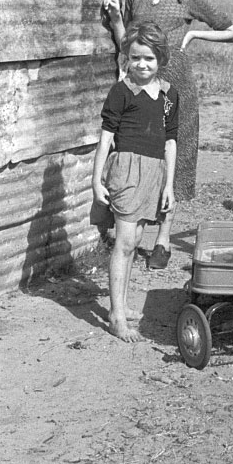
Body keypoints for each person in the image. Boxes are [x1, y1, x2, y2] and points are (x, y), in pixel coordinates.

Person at [102, 0, 233, 269]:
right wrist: (118, 20)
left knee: (171, 159)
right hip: (140, 88)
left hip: (175, 88)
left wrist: (193, 33)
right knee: (139, 153)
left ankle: (163, 237)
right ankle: (130, 231)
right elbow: (126, 45)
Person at [92, 22, 179, 342]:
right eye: (135, 58)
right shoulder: (121, 91)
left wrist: (168, 185)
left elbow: (171, 142)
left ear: (161, 59)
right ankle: (116, 316)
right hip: (126, 170)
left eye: (149, 59)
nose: (142, 64)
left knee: (135, 241)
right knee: (125, 243)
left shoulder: (169, 94)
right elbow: (105, 139)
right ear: (126, 58)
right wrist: (95, 180)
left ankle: (122, 305)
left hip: (155, 172)